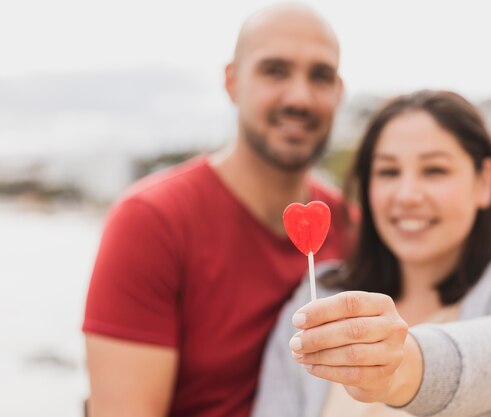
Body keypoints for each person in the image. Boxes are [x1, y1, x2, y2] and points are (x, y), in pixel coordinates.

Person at [251, 90, 491, 417]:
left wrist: (403, 368)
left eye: (434, 170)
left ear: (484, 182)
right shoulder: (318, 299)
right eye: (388, 171)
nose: (407, 195)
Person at [81, 4, 352, 417]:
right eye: (275, 70)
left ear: (338, 92)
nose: (299, 97)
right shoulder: (150, 221)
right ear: (232, 82)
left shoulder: (355, 227)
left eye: (320, 76)